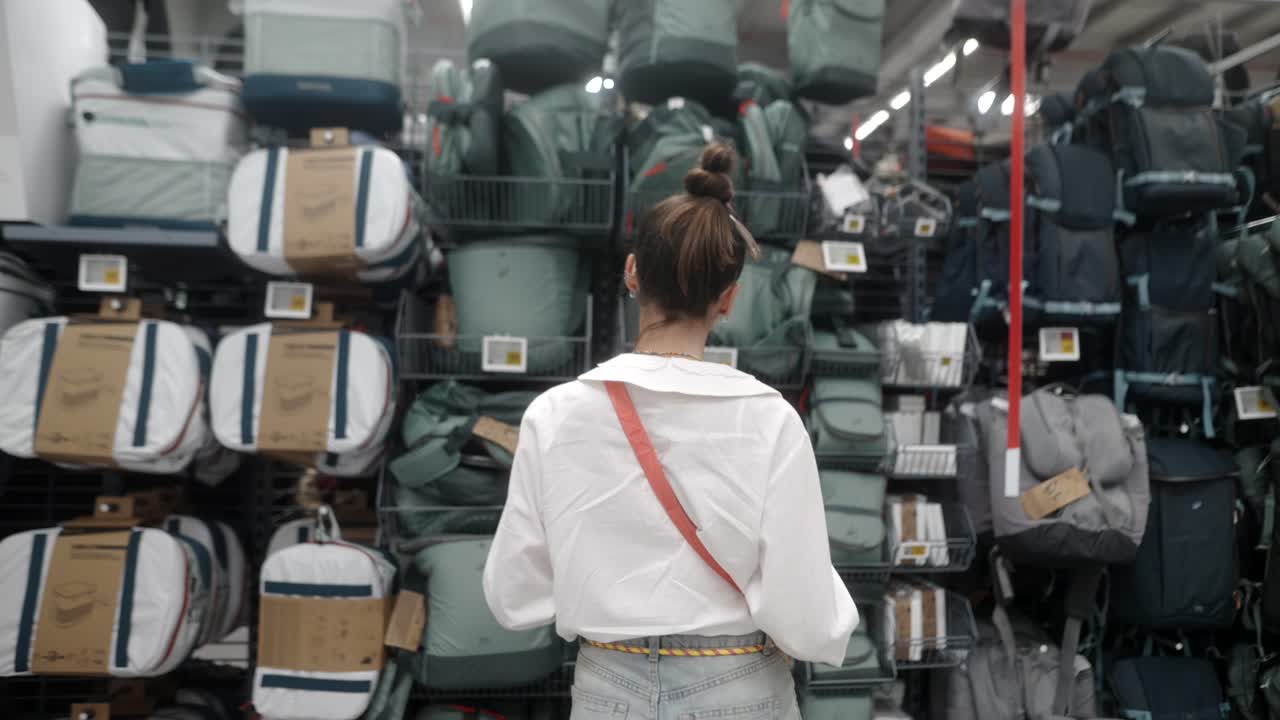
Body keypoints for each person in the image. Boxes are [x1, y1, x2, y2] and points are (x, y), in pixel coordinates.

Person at [483, 144, 857, 719]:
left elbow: (515, 594)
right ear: (729, 299)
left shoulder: (554, 415)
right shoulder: (770, 420)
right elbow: (804, 610)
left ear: (632, 272)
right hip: (737, 685)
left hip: (607, 686)